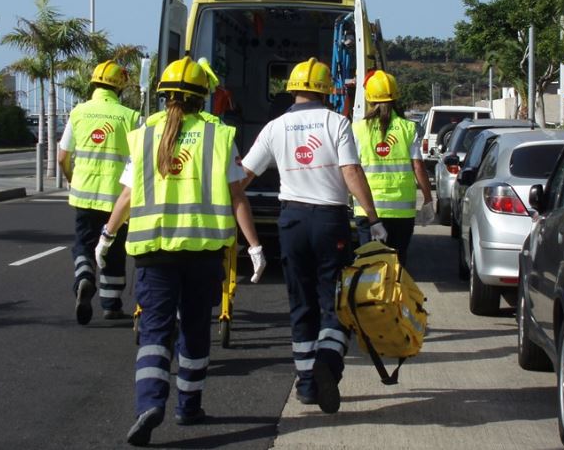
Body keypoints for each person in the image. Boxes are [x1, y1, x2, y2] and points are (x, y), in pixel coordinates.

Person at [95, 57, 266, 447]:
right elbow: (237, 197)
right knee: (193, 329)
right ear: (202, 98)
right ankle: (188, 407)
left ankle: (149, 404)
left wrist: (107, 235)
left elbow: (127, 195)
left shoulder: (143, 136)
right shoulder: (219, 136)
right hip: (203, 253)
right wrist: (254, 247)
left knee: (155, 330)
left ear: (163, 96)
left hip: (154, 252)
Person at [240, 57, 387, 415]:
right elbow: (350, 171)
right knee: (334, 302)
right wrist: (373, 217)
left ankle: (306, 384)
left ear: (292, 89)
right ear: (327, 91)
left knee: (301, 304)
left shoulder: (274, 127)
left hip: (290, 221)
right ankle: (328, 361)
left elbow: (242, 176)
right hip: (329, 222)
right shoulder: (335, 122)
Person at [58, 60, 140, 325]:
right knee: (114, 250)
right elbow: (140, 158)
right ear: (120, 88)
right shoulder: (130, 117)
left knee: (84, 243)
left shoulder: (78, 113)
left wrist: (73, 179)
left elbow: (62, 157)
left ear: (93, 83)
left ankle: (84, 277)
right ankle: (111, 304)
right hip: (117, 198)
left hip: (84, 193)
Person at [352, 70, 434, 267]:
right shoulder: (408, 128)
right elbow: (417, 166)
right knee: (397, 265)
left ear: (369, 99)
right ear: (396, 97)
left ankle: (371, 298)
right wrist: (428, 199)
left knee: (369, 266)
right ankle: (394, 297)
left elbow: (351, 169)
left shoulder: (357, 129)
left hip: (368, 211)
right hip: (401, 213)